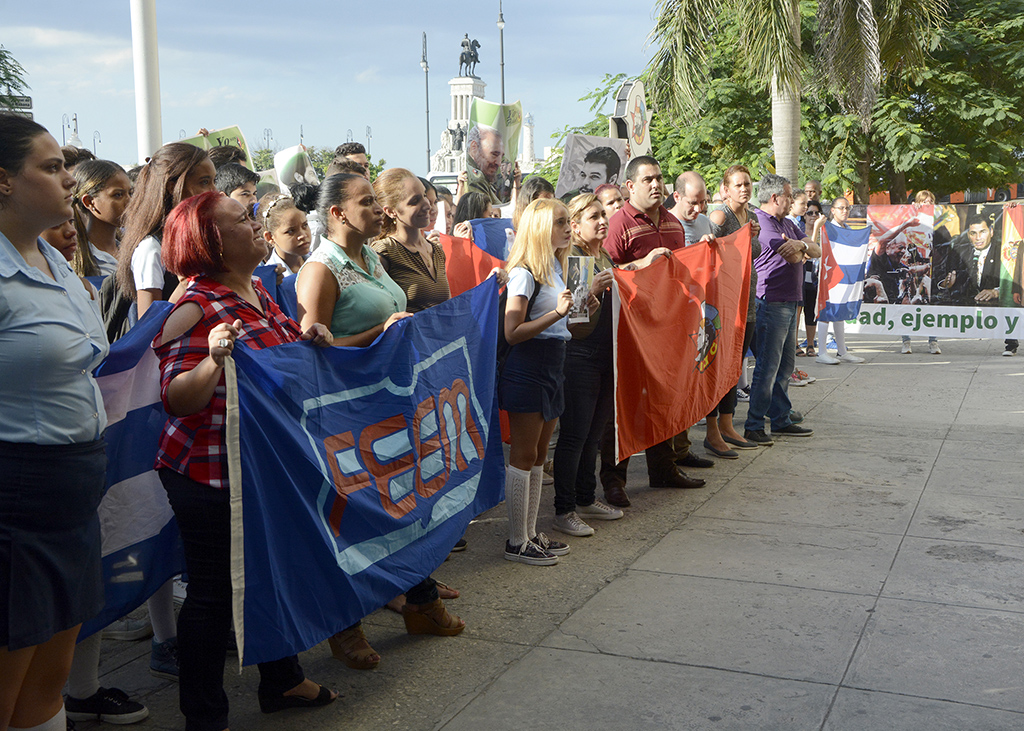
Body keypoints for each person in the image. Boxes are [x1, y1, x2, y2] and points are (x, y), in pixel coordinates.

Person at [154, 191, 338, 729]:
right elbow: (177, 399)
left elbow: (278, 360)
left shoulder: (257, 289)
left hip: (257, 466)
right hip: (206, 471)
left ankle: (281, 681)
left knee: (267, 568)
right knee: (211, 594)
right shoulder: (193, 306)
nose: (258, 225)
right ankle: (204, 716)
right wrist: (212, 360)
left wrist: (310, 339)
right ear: (211, 243)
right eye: (244, 220)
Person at [296, 174, 461, 663]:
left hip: (392, 404)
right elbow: (313, 354)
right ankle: (346, 629)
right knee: (352, 519)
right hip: (349, 417)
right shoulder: (319, 271)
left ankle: (421, 602)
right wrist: (380, 331)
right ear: (337, 214)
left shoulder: (369, 256)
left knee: (408, 503)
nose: (378, 209)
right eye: (366, 202)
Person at [0, 114, 110, 731]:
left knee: (46, 688)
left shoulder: (53, 256)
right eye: (49, 167)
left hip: (69, 498)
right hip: (15, 501)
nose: (69, 179)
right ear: (2, 181)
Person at [601, 156, 705, 505]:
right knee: (625, 405)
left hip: (667, 327)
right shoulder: (618, 224)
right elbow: (605, 273)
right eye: (648, 179)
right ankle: (614, 480)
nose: (656, 184)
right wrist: (640, 265)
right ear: (630, 186)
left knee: (664, 396)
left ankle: (664, 468)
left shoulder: (675, 223)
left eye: (659, 178)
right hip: (629, 328)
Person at [500, 198, 575, 564]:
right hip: (529, 364)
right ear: (540, 228)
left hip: (553, 363)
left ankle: (530, 534)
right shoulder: (524, 273)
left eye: (568, 221)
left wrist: (576, 309)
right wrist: (557, 314)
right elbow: (512, 331)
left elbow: (560, 321)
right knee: (524, 453)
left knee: (540, 455)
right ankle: (517, 540)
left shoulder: (555, 268)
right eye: (560, 222)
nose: (568, 227)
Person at [551, 194, 630, 536]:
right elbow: (574, 321)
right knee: (574, 436)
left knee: (595, 434)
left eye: (603, 215)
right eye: (594, 216)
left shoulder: (604, 255)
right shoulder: (573, 260)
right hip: (579, 357)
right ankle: (564, 508)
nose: (602, 220)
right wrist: (591, 289)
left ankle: (585, 497)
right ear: (576, 224)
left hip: (603, 356)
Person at [745, 174, 820, 445]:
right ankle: (754, 424)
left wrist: (801, 244)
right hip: (771, 302)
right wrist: (802, 249)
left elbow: (816, 250)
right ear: (775, 197)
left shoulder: (786, 223)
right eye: (789, 196)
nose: (793, 201)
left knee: (785, 366)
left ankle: (780, 418)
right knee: (767, 367)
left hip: (790, 302)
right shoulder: (762, 223)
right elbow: (792, 256)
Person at [704, 165, 764, 454]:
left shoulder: (751, 217)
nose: (744, 188)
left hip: (747, 302)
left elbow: (754, 253)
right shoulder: (719, 215)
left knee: (735, 367)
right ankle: (712, 430)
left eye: (748, 184)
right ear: (725, 189)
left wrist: (754, 235)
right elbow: (706, 250)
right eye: (738, 185)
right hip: (724, 305)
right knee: (718, 366)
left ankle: (728, 426)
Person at [117, 143, 217, 318]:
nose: (213, 191)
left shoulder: (204, 236)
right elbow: (148, 327)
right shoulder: (151, 248)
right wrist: (184, 287)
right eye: (204, 182)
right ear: (172, 186)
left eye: (213, 181)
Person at [371, 169, 449, 312]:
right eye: (414, 201)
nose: (427, 205)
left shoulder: (436, 251)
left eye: (424, 195)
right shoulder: (384, 251)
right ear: (390, 211)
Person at [812, 197, 865, 366]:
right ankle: (822, 351)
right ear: (832, 210)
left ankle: (842, 351)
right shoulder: (826, 228)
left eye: (847, 208)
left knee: (839, 311)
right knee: (826, 311)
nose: (845, 211)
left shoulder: (848, 229)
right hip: (829, 275)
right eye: (841, 208)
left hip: (843, 276)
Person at [70, 159, 131, 278]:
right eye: (118, 195)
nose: (130, 201)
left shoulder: (133, 251)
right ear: (89, 202)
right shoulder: (77, 258)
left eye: (130, 193)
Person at [898, 190, 940, 354]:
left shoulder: (937, 219)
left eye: (930, 201)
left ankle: (933, 341)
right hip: (909, 268)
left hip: (930, 268)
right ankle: (906, 341)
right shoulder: (910, 218)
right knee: (906, 303)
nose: (927, 204)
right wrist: (911, 210)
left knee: (930, 305)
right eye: (923, 201)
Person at [259, 193, 311, 275]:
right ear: (270, 237)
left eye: (305, 225)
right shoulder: (272, 279)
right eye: (290, 231)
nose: (303, 235)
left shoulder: (320, 262)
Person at [466, 124, 503, 204]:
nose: (499, 163)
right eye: (494, 154)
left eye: (501, 156)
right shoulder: (476, 179)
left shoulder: (484, 177)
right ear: (474, 148)